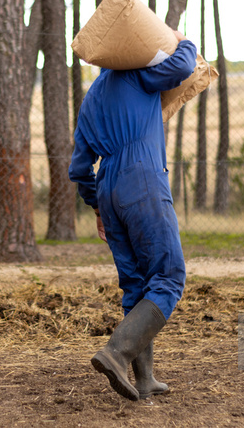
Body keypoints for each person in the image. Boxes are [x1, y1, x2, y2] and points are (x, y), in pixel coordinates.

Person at [68, 30, 197, 401]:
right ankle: (116, 353)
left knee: (137, 283)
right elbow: (184, 65)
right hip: (142, 176)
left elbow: (79, 168)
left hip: (107, 186)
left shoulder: (91, 98)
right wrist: (182, 39)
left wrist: (97, 207)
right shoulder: (138, 72)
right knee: (169, 276)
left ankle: (145, 379)